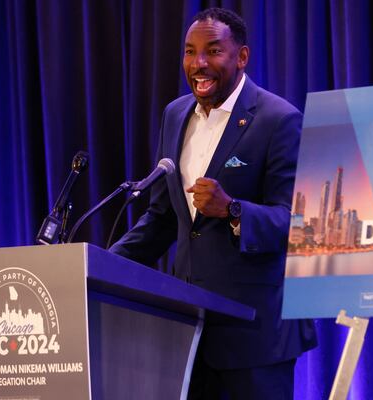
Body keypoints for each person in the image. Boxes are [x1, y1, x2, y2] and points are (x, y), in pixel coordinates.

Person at [109, 7, 316, 399]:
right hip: (187, 336)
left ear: (242, 57)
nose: (198, 64)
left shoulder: (278, 119)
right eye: (189, 52)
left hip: (256, 338)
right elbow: (163, 217)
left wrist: (233, 209)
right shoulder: (175, 115)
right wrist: (99, 265)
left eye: (213, 51)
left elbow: (301, 224)